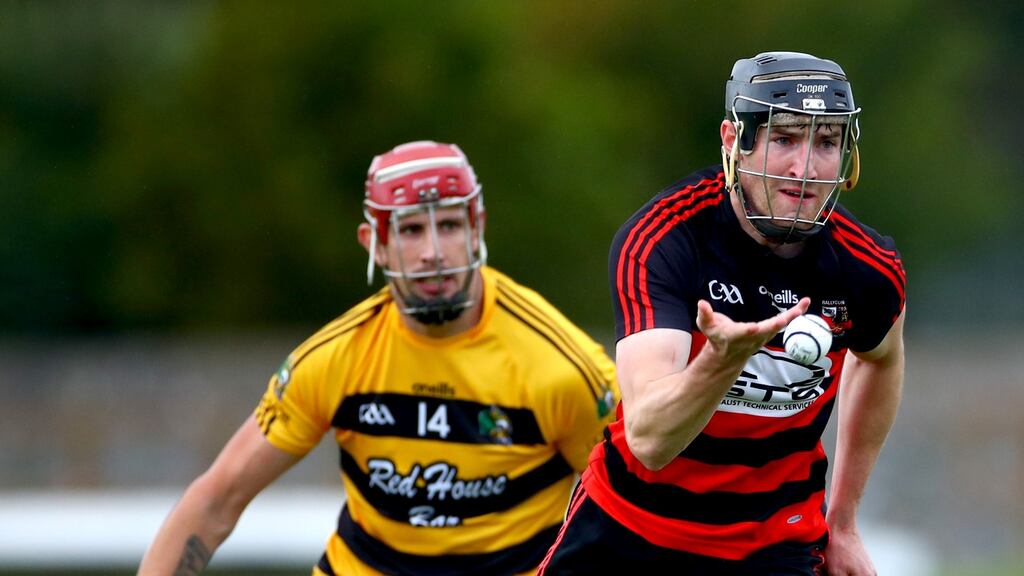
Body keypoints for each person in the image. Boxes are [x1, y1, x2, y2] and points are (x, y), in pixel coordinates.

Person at [138, 140, 619, 576]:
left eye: (449, 224)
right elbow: (216, 501)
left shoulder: (563, 367)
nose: (433, 252)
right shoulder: (334, 359)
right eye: (410, 230)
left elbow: (641, 512)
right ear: (375, 244)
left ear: (478, 228)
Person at [539, 51, 906, 575]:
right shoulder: (664, 238)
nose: (805, 168)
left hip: (771, 543)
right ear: (734, 141)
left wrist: (843, 522)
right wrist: (720, 362)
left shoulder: (867, 266)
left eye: (825, 142)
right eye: (784, 138)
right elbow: (649, 440)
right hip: (630, 527)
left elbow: (881, 359)